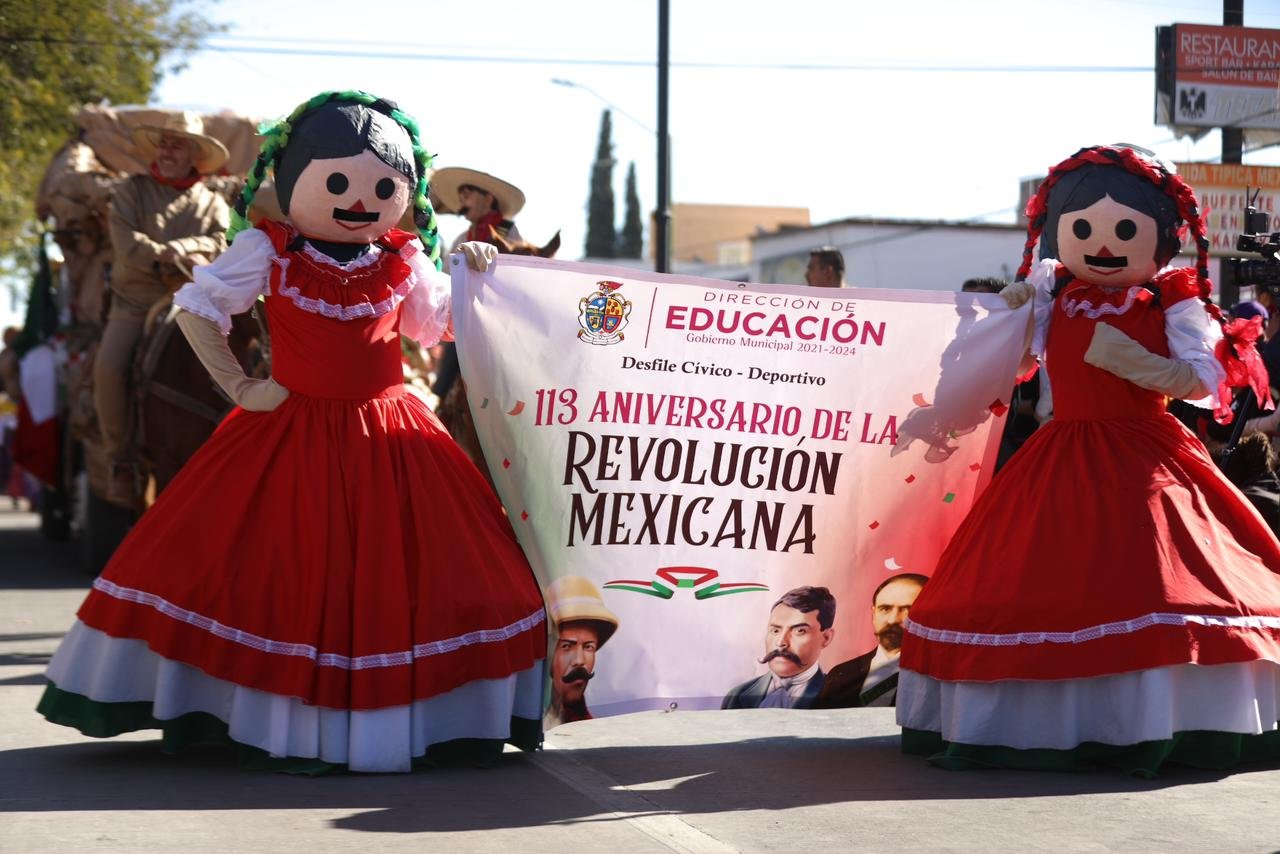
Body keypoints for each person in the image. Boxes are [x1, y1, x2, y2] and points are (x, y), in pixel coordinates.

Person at [38, 91, 547, 773]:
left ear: (405, 190)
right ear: (292, 178)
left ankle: (419, 717)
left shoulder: (401, 257)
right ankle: (118, 453)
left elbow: (437, 327)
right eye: (335, 182)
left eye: (380, 187)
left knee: (468, 574)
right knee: (263, 571)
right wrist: (243, 387)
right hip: (291, 425)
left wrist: (478, 277)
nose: (358, 200)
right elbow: (197, 309)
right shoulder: (268, 248)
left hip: (389, 428)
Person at [898, 145, 1280, 776]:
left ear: (1160, 236)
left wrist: (1132, 363)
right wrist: (991, 341)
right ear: (1058, 235)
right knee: (1028, 588)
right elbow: (1005, 367)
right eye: (1084, 229)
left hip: (1149, 455)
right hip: (1064, 451)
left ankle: (1164, 723)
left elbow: (1208, 383)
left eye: (1126, 230)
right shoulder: (1053, 298)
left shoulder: (1169, 302)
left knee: (1163, 584)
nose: (1104, 244)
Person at [95, 113, 231, 507]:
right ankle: (121, 459)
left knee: (248, 364)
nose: (169, 151)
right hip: (136, 302)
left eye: (179, 145)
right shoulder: (131, 191)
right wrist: (165, 255)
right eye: (165, 143)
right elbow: (124, 241)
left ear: (195, 155)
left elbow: (220, 243)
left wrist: (183, 250)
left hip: (191, 301)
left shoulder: (212, 203)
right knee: (108, 369)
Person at [426, 167, 526, 418]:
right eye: (461, 197)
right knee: (445, 380)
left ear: (488, 198)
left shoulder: (510, 234)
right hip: (464, 327)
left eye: (467, 195)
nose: (462, 202)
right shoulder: (462, 236)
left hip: (500, 329)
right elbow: (446, 281)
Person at [815, 573, 927, 709]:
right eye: (885, 609)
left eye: (908, 610)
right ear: (874, 614)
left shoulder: (942, 679)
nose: (892, 620)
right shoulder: (841, 674)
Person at [722, 586, 835, 710]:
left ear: (826, 638)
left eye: (800, 631)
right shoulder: (736, 695)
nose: (781, 642)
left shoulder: (840, 697)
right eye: (775, 630)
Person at [543, 576, 619, 729]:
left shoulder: (602, 730)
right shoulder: (522, 722)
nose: (579, 660)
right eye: (566, 646)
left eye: (588, 647)